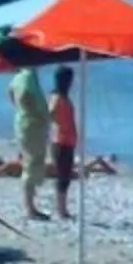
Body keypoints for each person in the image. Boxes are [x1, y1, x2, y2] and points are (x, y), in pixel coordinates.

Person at [8, 66, 51, 220]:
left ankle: (31, 205)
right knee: (32, 164)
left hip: (24, 122)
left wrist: (22, 109)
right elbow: (26, 94)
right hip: (32, 124)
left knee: (31, 162)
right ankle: (30, 208)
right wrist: (36, 113)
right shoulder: (28, 77)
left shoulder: (18, 76)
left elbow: (10, 93)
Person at [48, 66, 81, 220]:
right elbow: (50, 113)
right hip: (61, 140)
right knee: (63, 176)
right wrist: (61, 124)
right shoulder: (57, 97)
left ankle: (62, 208)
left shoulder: (63, 96)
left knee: (65, 175)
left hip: (66, 140)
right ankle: (61, 210)